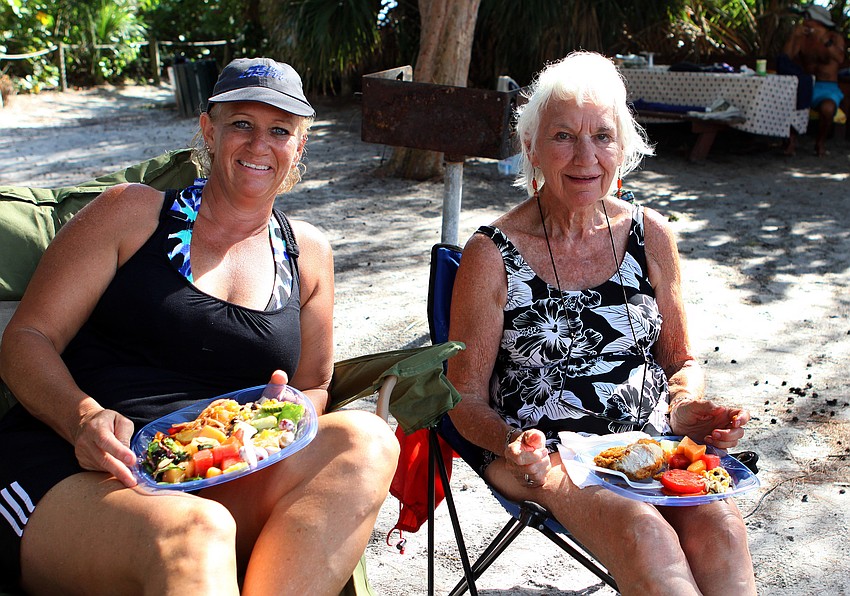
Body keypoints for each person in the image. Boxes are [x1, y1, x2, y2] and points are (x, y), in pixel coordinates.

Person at [0, 57, 398, 595]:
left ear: (299, 147)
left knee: (368, 440)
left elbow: (312, 387)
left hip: (215, 471)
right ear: (209, 130)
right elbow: (27, 340)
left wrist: (277, 418)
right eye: (241, 124)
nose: (260, 145)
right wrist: (81, 420)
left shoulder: (309, 257)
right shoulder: (131, 215)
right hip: (80, 471)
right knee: (198, 531)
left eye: (280, 131)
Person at [445, 51, 756, 595]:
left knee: (720, 525)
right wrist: (522, 446)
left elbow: (679, 360)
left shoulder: (649, 234)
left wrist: (685, 407)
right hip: (544, 454)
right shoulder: (491, 253)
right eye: (563, 135)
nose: (585, 156)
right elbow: (464, 400)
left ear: (624, 147)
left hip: (646, 442)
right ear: (532, 148)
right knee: (644, 533)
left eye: (603, 136)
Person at [778, 4, 846, 156]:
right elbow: (786, 58)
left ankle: (820, 142)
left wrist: (824, 39)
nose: (804, 21)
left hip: (827, 87)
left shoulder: (834, 38)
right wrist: (794, 36)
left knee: (827, 109)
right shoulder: (803, 38)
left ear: (819, 21)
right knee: (787, 100)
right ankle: (791, 141)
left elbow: (839, 58)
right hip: (807, 83)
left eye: (808, 18)